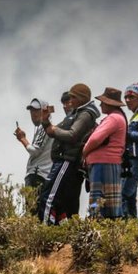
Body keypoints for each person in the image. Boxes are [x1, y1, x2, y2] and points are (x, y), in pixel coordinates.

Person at [38, 83, 100, 224]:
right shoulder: (76, 113)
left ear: (81, 98)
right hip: (63, 159)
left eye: (73, 97)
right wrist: (46, 121)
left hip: (67, 159)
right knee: (62, 200)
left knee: (49, 195)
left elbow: (72, 135)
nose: (70, 101)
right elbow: (52, 131)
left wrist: (54, 130)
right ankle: (62, 228)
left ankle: (44, 228)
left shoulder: (85, 114)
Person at [82, 87, 127, 218]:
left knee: (100, 200)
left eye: (103, 102)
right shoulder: (116, 117)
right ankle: (104, 223)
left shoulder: (113, 118)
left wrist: (84, 152)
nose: (101, 105)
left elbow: (95, 139)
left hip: (104, 164)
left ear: (109, 103)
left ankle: (99, 222)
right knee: (105, 200)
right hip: (106, 163)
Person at [14, 98, 54, 212]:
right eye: (31, 111)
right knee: (36, 211)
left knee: (33, 212)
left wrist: (22, 139)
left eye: (36, 110)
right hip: (41, 175)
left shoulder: (44, 127)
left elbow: (35, 151)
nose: (33, 114)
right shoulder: (44, 128)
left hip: (37, 175)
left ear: (44, 111)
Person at [121, 83, 138, 218]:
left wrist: (126, 133)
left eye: (131, 97)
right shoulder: (134, 115)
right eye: (125, 97)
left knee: (124, 193)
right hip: (130, 159)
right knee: (131, 197)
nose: (127, 100)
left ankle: (122, 224)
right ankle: (132, 225)